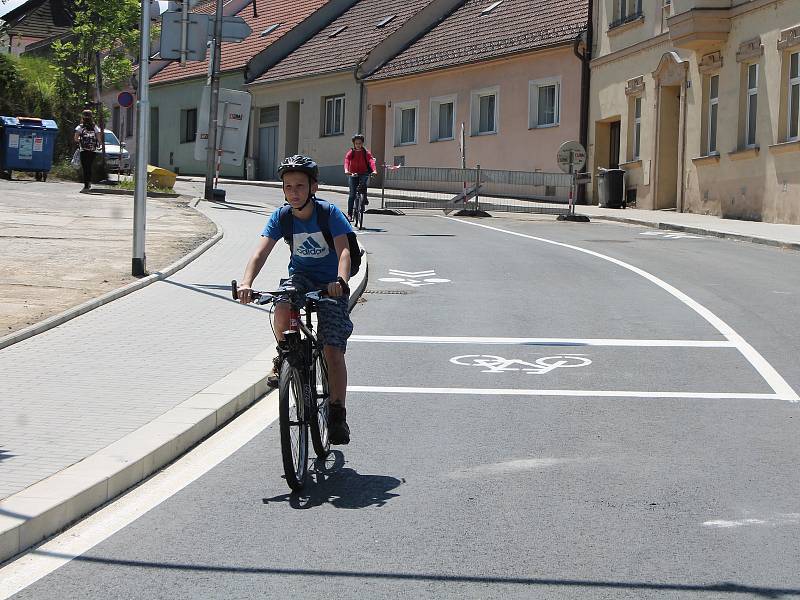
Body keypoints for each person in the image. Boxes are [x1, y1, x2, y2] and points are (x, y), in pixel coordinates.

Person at [237, 155, 354, 445]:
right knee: (282, 302)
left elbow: (344, 252)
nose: (293, 192)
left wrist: (340, 280)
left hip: (330, 284)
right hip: (301, 277)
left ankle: (337, 413)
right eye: (288, 187)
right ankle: (285, 354)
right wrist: (247, 283)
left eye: (299, 186)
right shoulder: (282, 217)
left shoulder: (329, 214)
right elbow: (260, 253)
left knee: (332, 350)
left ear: (313, 187)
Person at [344, 134, 377, 221]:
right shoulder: (351, 152)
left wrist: (374, 170)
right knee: (352, 194)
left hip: (364, 172)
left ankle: (364, 198)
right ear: (354, 144)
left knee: (363, 185)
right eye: (356, 143)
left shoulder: (366, 152)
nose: (358, 145)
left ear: (362, 143)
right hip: (353, 173)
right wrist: (346, 170)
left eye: (360, 143)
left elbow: (371, 161)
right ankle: (349, 214)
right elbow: (347, 160)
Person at [73, 109, 102, 192]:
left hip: (83, 149)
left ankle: (86, 186)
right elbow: (99, 139)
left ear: (82, 117)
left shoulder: (80, 127)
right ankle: (88, 183)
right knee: (89, 166)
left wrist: (81, 140)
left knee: (85, 167)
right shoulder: (95, 127)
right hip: (92, 150)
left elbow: (75, 138)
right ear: (91, 117)